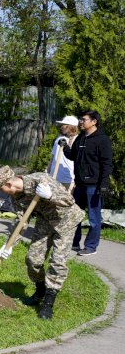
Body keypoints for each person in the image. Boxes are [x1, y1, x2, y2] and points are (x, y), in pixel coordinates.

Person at [0, 165, 85, 319]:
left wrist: (49, 196)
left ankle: (48, 303)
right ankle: (41, 289)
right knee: (32, 259)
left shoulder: (41, 180)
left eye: (0, 189)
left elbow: (69, 200)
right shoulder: (16, 196)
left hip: (66, 220)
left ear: (8, 184)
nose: (1, 193)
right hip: (45, 221)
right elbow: (22, 221)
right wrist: (9, 245)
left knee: (58, 262)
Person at [59, 110, 113, 256]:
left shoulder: (102, 140)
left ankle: (91, 246)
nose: (81, 122)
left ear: (94, 121)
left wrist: (104, 184)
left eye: (84, 119)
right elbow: (73, 156)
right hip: (80, 185)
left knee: (94, 218)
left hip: (94, 186)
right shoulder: (81, 138)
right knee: (75, 215)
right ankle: (74, 243)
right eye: (80, 119)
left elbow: (107, 164)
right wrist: (65, 146)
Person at [49, 116, 77, 190]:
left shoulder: (77, 140)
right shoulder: (59, 139)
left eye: (64, 125)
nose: (61, 127)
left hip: (68, 178)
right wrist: (48, 171)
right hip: (55, 176)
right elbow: (53, 157)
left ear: (70, 127)